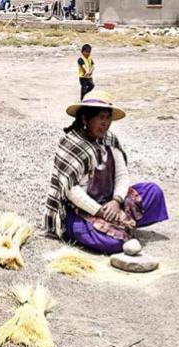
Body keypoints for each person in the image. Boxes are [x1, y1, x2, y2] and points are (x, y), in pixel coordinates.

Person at [43, 90, 168, 255]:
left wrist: (116, 201)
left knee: (154, 192)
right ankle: (120, 227)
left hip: (111, 203)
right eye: (100, 118)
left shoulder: (109, 140)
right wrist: (100, 211)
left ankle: (118, 225)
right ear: (85, 118)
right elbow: (71, 190)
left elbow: (121, 175)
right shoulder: (71, 144)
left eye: (108, 118)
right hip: (82, 211)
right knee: (111, 243)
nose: (105, 123)